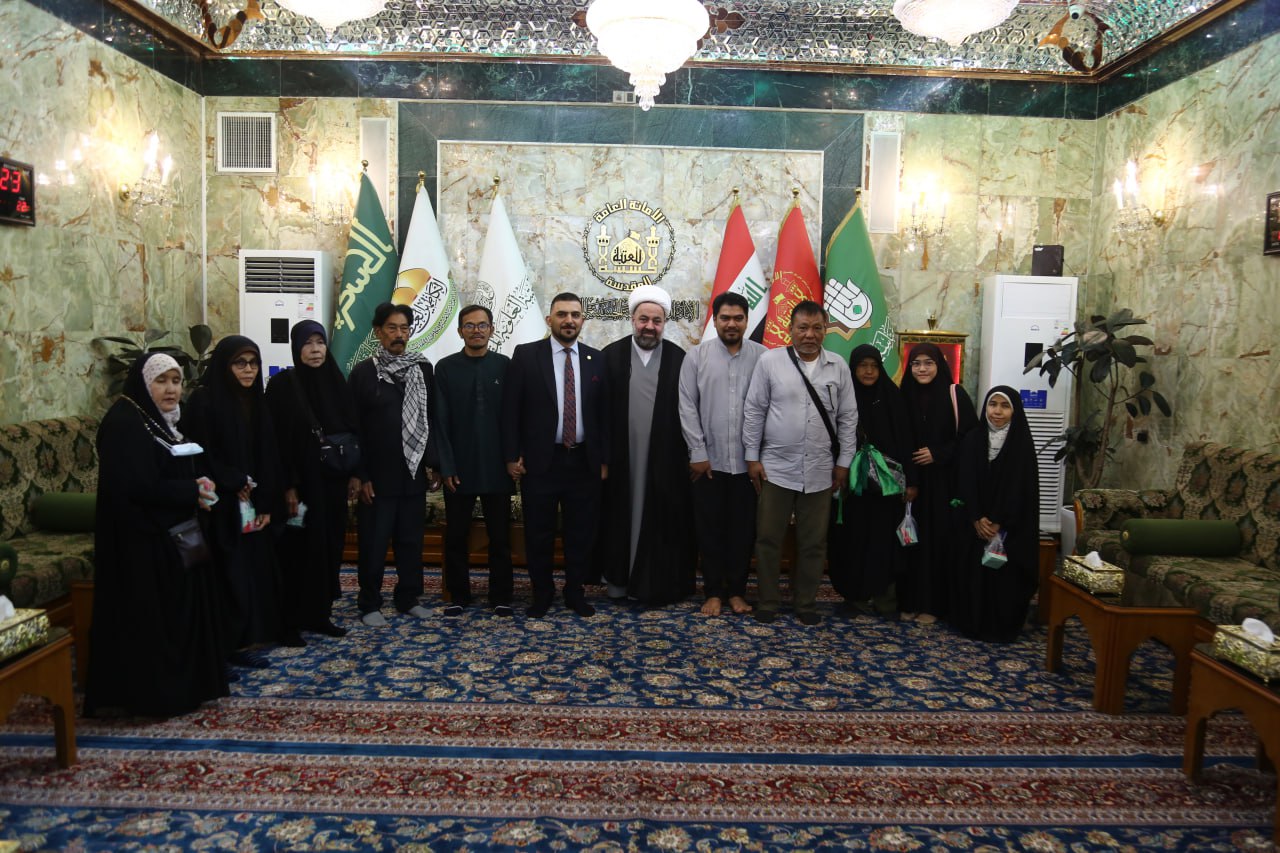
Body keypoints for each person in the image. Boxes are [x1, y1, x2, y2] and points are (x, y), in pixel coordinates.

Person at [85, 352, 229, 717]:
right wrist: (191, 491)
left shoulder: (155, 419)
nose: (171, 390)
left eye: (176, 381)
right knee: (152, 623)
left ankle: (185, 686)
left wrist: (197, 485)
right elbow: (136, 486)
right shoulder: (124, 422)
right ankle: (157, 696)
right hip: (140, 541)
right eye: (161, 381)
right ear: (143, 382)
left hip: (168, 532)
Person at [743, 301, 858, 626]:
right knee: (768, 539)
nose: (809, 335)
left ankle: (805, 603)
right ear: (790, 329)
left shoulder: (838, 366)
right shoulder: (770, 362)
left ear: (825, 330)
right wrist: (752, 457)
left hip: (821, 469)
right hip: (775, 468)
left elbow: (848, 418)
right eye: (803, 328)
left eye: (817, 328)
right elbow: (754, 410)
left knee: (813, 542)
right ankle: (768, 601)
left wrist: (844, 462)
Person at [181, 335, 292, 657]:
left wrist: (267, 500)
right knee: (230, 573)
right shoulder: (204, 401)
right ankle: (231, 643)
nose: (248, 370)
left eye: (254, 363)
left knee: (257, 568)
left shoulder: (257, 400)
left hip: (253, 502)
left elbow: (270, 455)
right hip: (221, 503)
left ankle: (255, 635)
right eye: (240, 363)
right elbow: (199, 453)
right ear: (224, 366)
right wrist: (233, 480)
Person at [501, 292, 609, 618]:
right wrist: (511, 455)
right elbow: (511, 410)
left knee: (581, 534)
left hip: (584, 463)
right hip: (541, 462)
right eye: (562, 314)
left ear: (582, 320)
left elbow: (606, 415)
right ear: (550, 320)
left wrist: (604, 459)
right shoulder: (526, 356)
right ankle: (542, 594)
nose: (569, 320)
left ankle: (575, 593)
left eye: (575, 314)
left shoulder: (596, 359)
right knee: (539, 533)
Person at [597, 284, 696, 605]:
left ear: (665, 323)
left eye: (656, 321)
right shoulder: (610, 356)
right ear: (632, 320)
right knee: (619, 517)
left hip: (665, 460)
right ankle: (618, 582)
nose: (649, 326)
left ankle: (654, 586)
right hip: (620, 460)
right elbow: (598, 412)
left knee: (662, 520)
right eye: (643, 319)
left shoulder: (679, 359)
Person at [264, 320, 358, 638]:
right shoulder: (282, 386)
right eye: (307, 343)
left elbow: (353, 430)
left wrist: (354, 474)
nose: (315, 350)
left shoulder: (336, 381)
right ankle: (289, 621)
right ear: (296, 348)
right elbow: (275, 440)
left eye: (320, 342)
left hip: (332, 483)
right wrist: (288, 486)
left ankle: (320, 614)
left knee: (328, 547)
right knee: (297, 550)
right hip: (301, 485)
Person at [348, 302, 439, 627]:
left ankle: (408, 598)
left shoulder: (422, 369)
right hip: (377, 477)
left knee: (410, 542)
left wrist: (434, 464)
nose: (399, 334)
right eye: (392, 328)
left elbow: (430, 420)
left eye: (404, 328)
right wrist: (361, 475)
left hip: (412, 474)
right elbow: (354, 428)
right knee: (373, 544)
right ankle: (369, 603)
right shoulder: (363, 373)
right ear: (378, 332)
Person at [678, 291, 765, 616]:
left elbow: (770, 408)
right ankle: (713, 592)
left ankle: (737, 592)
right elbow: (687, 406)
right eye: (725, 318)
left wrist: (758, 456)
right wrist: (697, 452)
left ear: (746, 321)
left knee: (743, 532)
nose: (731, 324)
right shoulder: (696, 357)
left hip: (748, 465)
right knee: (709, 530)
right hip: (708, 464)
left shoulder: (763, 357)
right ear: (714, 320)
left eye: (738, 318)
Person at [434, 304, 515, 617]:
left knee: (500, 539)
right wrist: (446, 466)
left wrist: (513, 459)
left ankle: (501, 596)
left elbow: (514, 419)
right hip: (459, 469)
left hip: (497, 468)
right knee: (456, 537)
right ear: (459, 332)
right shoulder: (445, 368)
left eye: (482, 325)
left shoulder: (505, 366)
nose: (476, 331)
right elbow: (440, 421)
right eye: (469, 326)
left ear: (492, 330)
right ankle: (459, 595)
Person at [828, 344, 918, 619]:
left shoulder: (893, 397)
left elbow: (906, 440)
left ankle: (885, 600)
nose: (868, 371)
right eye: (862, 366)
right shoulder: (844, 397)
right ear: (852, 369)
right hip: (853, 488)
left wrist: (911, 481)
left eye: (874, 366)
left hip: (886, 489)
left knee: (884, 543)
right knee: (852, 542)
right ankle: (854, 598)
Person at [950, 386, 1040, 643]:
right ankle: (971, 622)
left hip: (1009, 527)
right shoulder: (973, 439)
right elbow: (965, 481)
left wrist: (999, 521)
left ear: (1014, 411)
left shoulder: (1021, 444)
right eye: (993, 404)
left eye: (1004, 406)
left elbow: (1021, 489)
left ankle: (1001, 626)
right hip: (976, 523)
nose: (997, 411)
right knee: (973, 572)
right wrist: (976, 517)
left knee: (1004, 578)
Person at [897, 342, 977, 624]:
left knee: (936, 543)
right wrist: (909, 479)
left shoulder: (955, 394)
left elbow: (970, 438)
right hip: (910, 483)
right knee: (909, 542)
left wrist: (938, 453)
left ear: (939, 365)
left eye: (928, 363)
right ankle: (909, 601)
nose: (922, 369)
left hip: (943, 484)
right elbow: (898, 439)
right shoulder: (903, 395)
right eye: (916, 363)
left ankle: (933, 605)